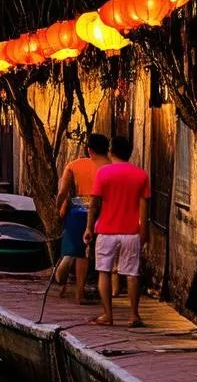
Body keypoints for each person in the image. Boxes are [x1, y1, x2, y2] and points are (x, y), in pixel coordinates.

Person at [84, 135, 151, 328]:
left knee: (104, 271)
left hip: (106, 230)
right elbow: (144, 208)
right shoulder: (141, 175)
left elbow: (94, 204)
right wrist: (144, 233)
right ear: (130, 153)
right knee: (132, 273)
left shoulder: (104, 174)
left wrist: (89, 228)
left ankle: (108, 315)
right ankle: (134, 315)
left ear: (111, 152)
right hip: (131, 231)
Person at [55, 133, 110, 303]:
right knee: (101, 254)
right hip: (104, 210)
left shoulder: (74, 165)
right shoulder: (111, 166)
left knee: (80, 253)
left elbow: (63, 193)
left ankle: (79, 293)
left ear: (89, 149)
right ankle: (105, 292)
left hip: (78, 210)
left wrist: (58, 208)